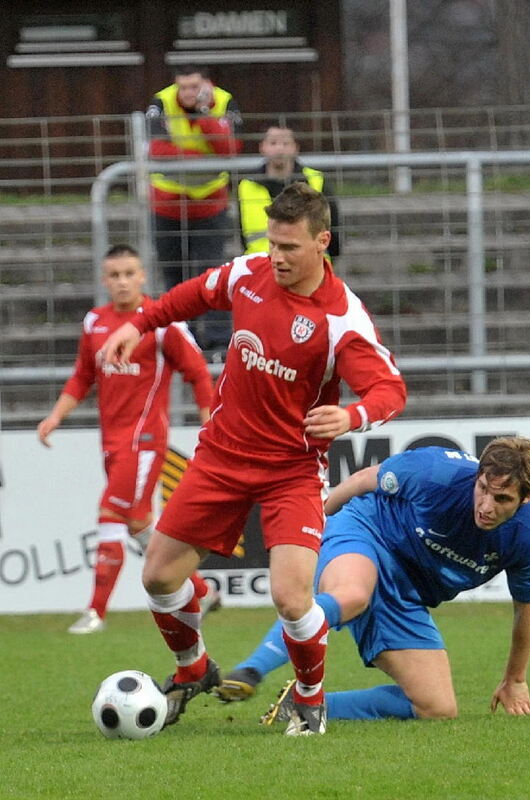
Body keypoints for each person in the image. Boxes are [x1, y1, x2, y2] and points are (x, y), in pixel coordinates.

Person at [99, 183, 407, 735]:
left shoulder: (342, 319)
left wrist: (351, 417)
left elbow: (390, 390)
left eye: (290, 246)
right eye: (272, 243)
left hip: (291, 470)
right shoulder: (249, 273)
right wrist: (139, 323)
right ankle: (193, 668)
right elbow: (190, 295)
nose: (277, 256)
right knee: (160, 579)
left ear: (322, 242)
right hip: (221, 456)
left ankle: (311, 702)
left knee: (292, 598)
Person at [216, 437, 530, 724]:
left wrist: (515, 679)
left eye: (502, 499)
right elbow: (362, 480)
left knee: (437, 707)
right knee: (353, 594)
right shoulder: (435, 473)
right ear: (478, 477)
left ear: (528, 496)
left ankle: (301, 706)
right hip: (365, 531)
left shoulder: (528, 538)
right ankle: (251, 670)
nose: (486, 506)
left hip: (404, 593)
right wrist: (311, 532)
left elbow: (527, 608)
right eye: (483, 490)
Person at [37, 244, 217, 634]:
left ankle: (95, 612)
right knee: (138, 523)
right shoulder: (94, 323)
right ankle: (203, 588)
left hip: (145, 440)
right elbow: (83, 375)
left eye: (128, 274)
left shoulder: (160, 323)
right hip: (112, 442)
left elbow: (199, 373)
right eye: (114, 275)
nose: (121, 281)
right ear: (105, 280)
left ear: (142, 277)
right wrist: (55, 415)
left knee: (110, 514)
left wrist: (210, 424)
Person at [146, 65, 244, 352]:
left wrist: (203, 114)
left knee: (212, 274)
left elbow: (229, 149)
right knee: (173, 276)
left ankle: (217, 342)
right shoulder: (161, 101)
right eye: (183, 88)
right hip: (167, 204)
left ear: (206, 86)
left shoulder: (224, 102)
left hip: (210, 204)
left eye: (194, 87)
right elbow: (156, 150)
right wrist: (201, 158)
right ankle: (181, 339)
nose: (188, 93)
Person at [238, 125, 341, 260]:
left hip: (308, 268)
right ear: (262, 147)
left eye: (286, 143)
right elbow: (242, 234)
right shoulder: (246, 185)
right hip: (261, 268)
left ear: (295, 148)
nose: (279, 148)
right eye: (273, 143)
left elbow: (333, 229)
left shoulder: (317, 181)